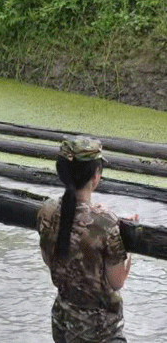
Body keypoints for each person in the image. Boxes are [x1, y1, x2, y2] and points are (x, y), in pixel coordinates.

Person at [37, 136, 136, 343]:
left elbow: (50, 260)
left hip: (62, 320)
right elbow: (117, 282)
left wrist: (113, 223)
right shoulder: (105, 223)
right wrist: (128, 249)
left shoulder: (47, 209)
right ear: (96, 176)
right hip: (98, 331)